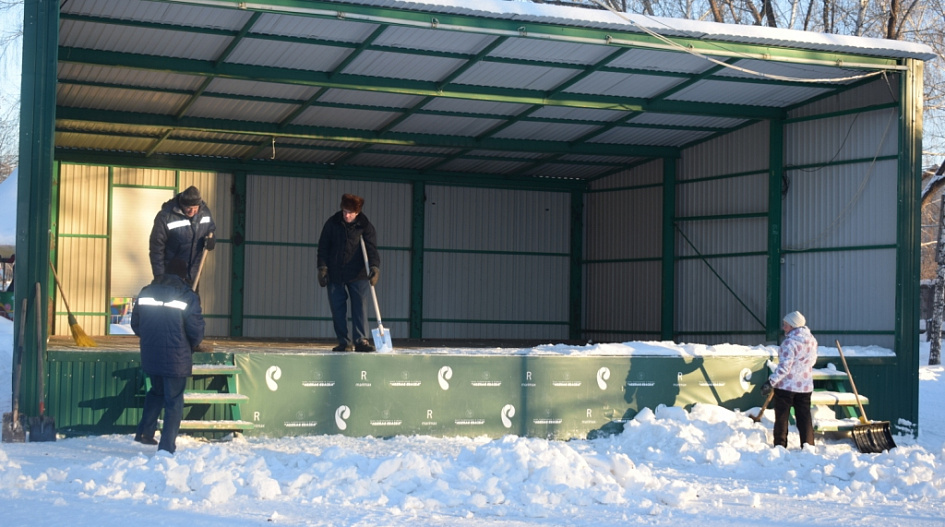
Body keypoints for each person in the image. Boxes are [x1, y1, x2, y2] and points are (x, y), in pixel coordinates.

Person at [132, 259, 208, 453]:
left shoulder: (145, 292)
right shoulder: (186, 295)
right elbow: (196, 330)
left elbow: (135, 324)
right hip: (176, 357)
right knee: (174, 401)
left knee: (156, 392)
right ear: (183, 275)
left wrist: (151, 339)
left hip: (151, 355)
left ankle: (145, 432)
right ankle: (166, 446)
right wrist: (191, 344)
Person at [317, 193, 380, 352]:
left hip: (358, 274)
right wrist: (322, 268)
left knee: (360, 307)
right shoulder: (332, 223)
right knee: (337, 309)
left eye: (350, 213)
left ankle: (361, 340)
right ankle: (344, 341)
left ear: (357, 212)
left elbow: (371, 249)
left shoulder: (364, 226)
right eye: (344, 211)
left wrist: (374, 267)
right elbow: (323, 247)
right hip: (335, 272)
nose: (346, 215)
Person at [762, 310, 818, 449]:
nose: (783, 327)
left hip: (786, 387)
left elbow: (784, 368)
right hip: (805, 386)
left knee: (782, 417)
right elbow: (812, 361)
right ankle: (808, 445)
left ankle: (780, 446)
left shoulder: (789, 343)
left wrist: (770, 382)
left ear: (793, 325)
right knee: (804, 418)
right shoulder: (812, 341)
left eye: (785, 324)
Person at [149, 186, 216, 287]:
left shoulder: (205, 213)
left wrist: (211, 240)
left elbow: (210, 229)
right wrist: (159, 275)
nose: (192, 211)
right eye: (188, 207)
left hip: (193, 275)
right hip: (171, 276)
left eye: (195, 208)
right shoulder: (166, 216)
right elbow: (156, 248)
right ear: (181, 204)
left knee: (192, 297)